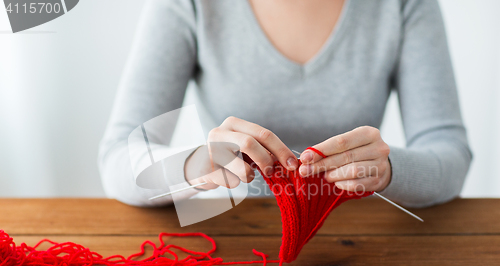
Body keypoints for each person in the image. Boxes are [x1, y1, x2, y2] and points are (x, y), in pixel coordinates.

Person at [98, 0, 472, 208]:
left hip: (367, 244)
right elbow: (118, 159)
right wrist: (194, 165)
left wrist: (388, 169)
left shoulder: (403, 6)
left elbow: (450, 154)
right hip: (235, 242)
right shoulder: (188, 5)